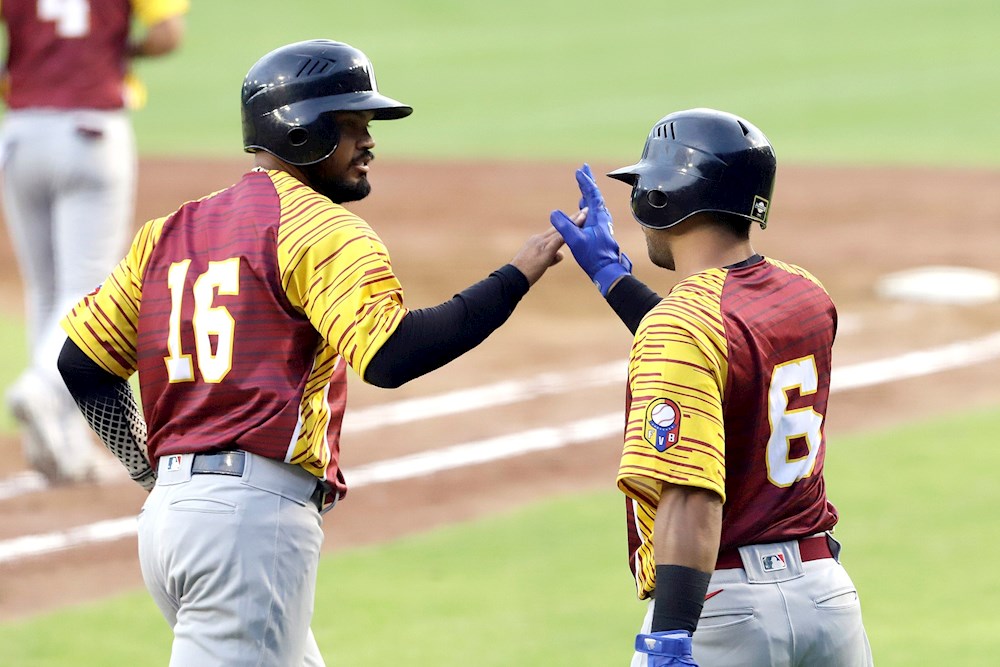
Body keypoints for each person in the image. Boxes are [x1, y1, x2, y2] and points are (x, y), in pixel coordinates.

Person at [56, 39, 564, 665]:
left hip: (173, 525)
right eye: (352, 127)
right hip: (247, 527)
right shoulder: (318, 228)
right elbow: (392, 355)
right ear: (302, 131)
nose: (369, 142)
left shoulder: (168, 232)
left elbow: (81, 365)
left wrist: (149, 473)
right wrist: (515, 275)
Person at [549, 108, 873, 666]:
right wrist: (614, 279)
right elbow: (722, 350)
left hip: (724, 611)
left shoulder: (681, 325)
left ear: (661, 197)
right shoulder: (806, 295)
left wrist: (670, 637)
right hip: (828, 597)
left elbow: (692, 494)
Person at [0, 0, 188, 483]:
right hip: (92, 127)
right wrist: (123, 50)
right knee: (85, 288)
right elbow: (168, 32)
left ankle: (67, 446)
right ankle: (44, 388)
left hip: (20, 132)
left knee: (44, 288)